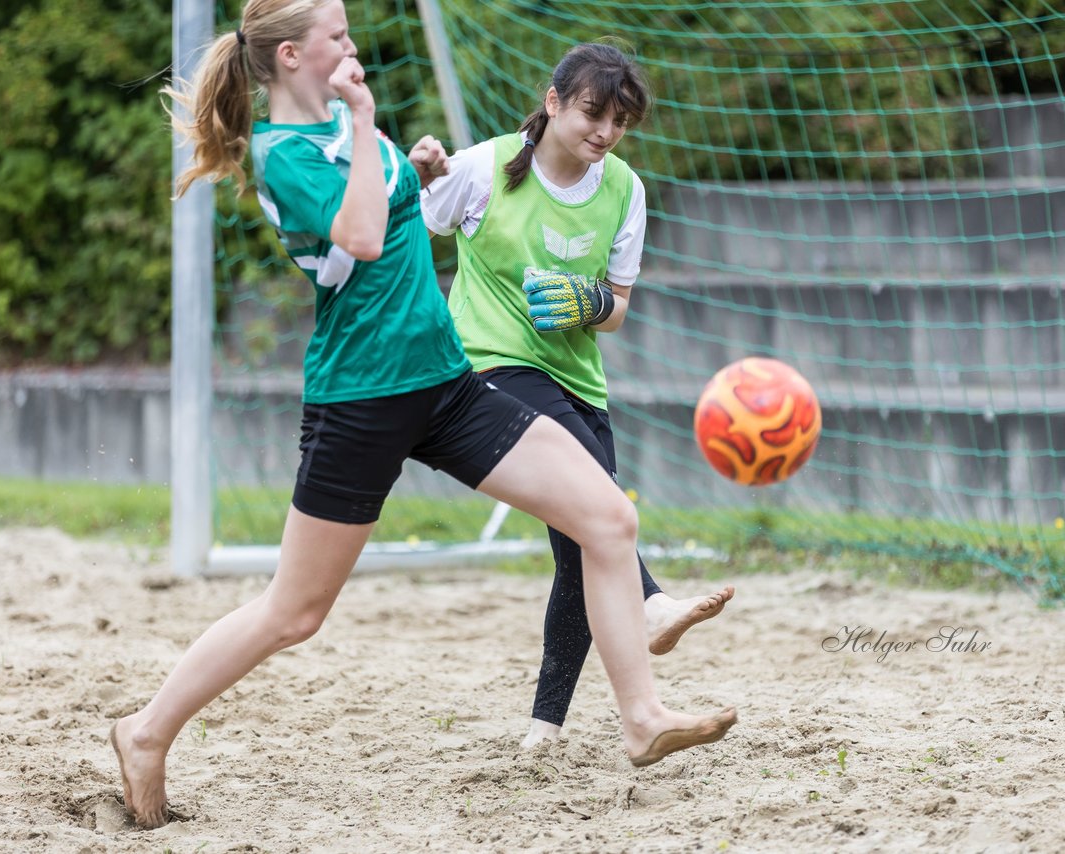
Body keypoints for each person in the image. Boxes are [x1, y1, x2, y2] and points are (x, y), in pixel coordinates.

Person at [109, 0, 735, 830]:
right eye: (338, 36)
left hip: (446, 383)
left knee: (608, 519)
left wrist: (424, 165)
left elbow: (394, 207)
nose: (353, 46)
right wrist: (372, 128)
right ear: (293, 55)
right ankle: (146, 731)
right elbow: (362, 235)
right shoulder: (280, 153)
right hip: (360, 401)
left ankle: (642, 718)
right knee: (294, 613)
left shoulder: (342, 125)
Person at [420, 42, 734, 750]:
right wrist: (425, 175)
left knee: (582, 548)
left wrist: (587, 300)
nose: (604, 132)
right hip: (495, 370)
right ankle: (650, 605)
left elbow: (619, 306)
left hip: (578, 382)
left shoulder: (624, 189)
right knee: (604, 519)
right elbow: (417, 224)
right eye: (593, 112)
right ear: (555, 101)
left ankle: (545, 730)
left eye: (619, 121)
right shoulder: (482, 167)